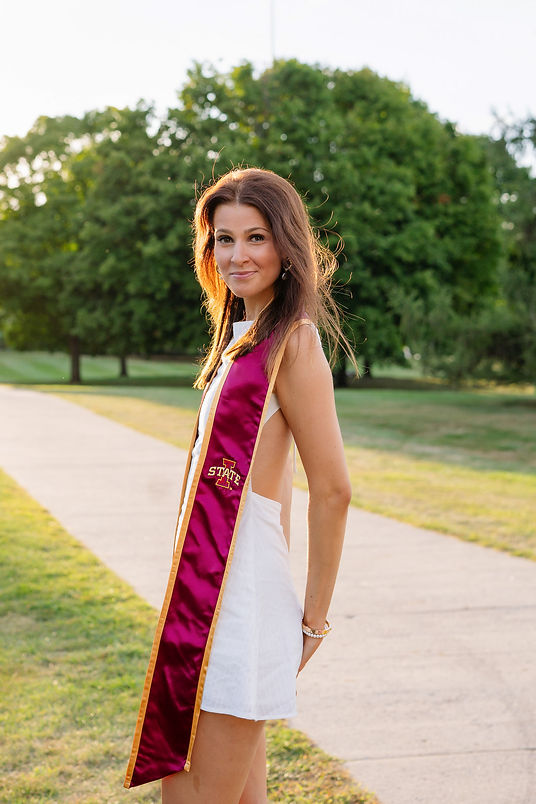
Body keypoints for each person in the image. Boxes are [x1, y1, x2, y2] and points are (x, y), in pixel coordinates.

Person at [124, 167, 353, 803]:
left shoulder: (294, 344)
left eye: (256, 237)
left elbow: (332, 490)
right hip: (212, 595)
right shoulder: (240, 344)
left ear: (286, 244)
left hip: (240, 601)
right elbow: (265, 495)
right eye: (224, 239)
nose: (238, 255)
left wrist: (310, 623)